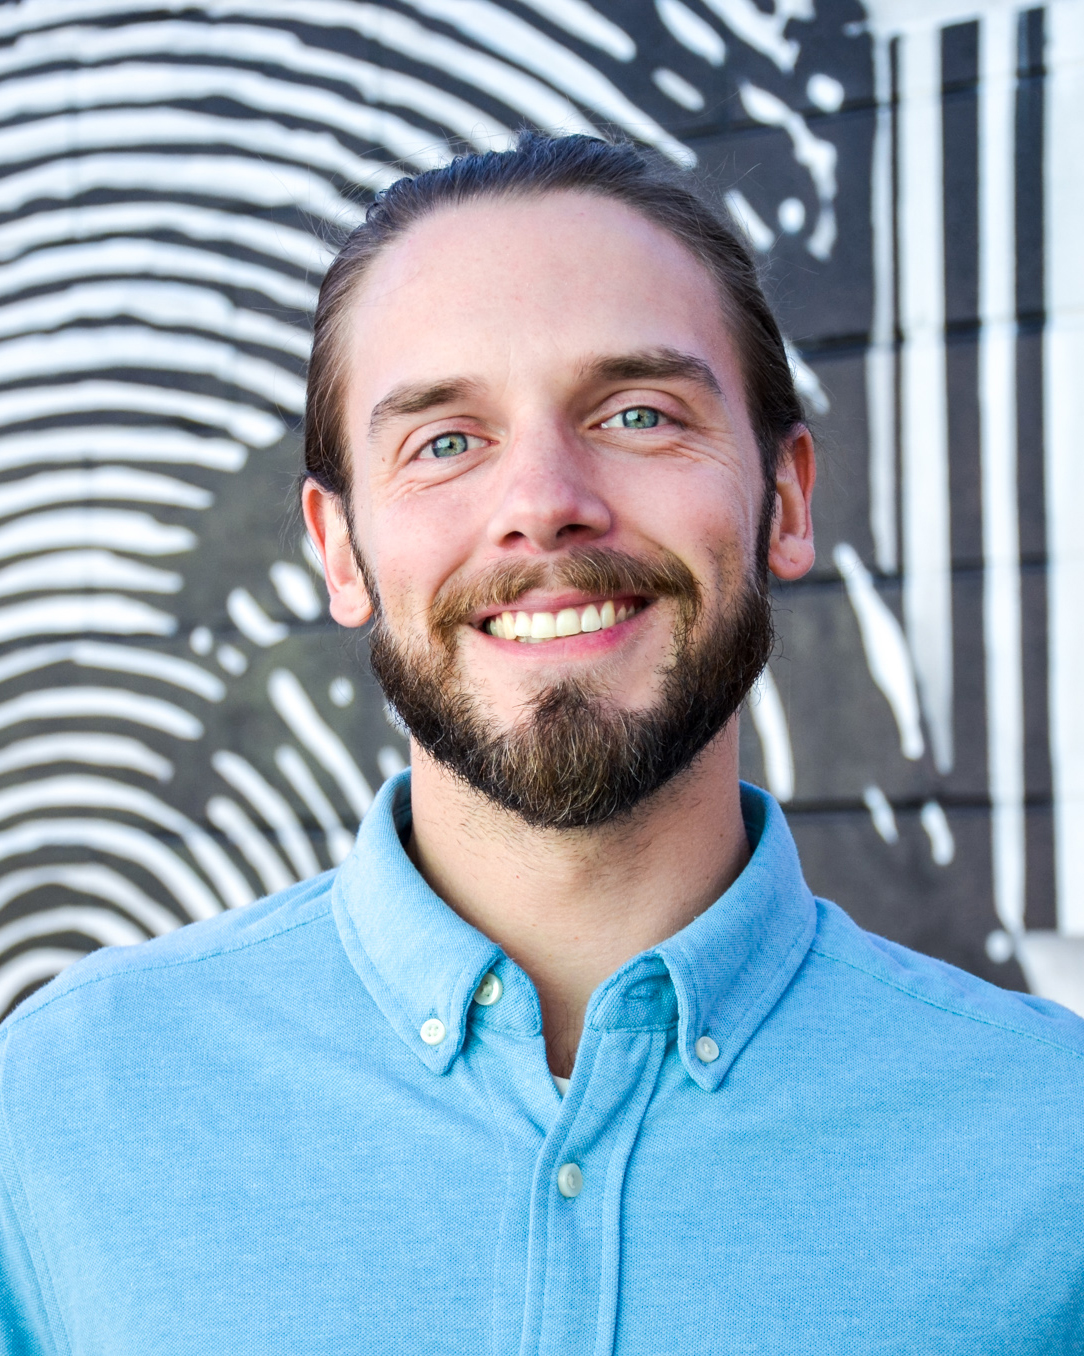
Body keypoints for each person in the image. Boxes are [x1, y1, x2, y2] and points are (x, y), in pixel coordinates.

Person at [1, 134, 1081, 1356]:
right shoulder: (60, 1106)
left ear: (782, 500)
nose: (543, 501)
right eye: (444, 441)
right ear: (340, 549)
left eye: (636, 413)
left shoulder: (1056, 1147)